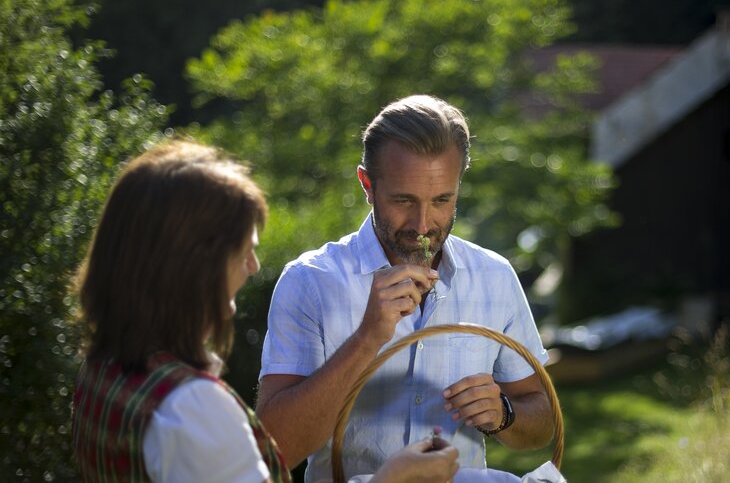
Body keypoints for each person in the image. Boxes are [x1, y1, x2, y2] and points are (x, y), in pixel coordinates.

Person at [70, 140, 459, 483]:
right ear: (192, 264)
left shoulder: (105, 368)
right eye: (244, 250)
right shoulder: (193, 406)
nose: (253, 266)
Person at [256, 95, 554, 482]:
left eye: (442, 200)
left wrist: (504, 414)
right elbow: (272, 449)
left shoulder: (493, 276)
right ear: (367, 184)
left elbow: (543, 421)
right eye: (403, 200)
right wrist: (367, 338)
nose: (423, 223)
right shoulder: (310, 280)